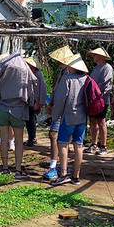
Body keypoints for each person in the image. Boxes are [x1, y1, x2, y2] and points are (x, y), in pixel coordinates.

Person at [0, 52, 36, 178]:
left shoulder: (3, 66)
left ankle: (5, 168)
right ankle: (18, 169)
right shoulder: (24, 69)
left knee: (3, 140)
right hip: (18, 109)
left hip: (2, 108)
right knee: (18, 141)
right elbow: (32, 86)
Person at [51, 55, 89, 186]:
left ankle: (63, 174)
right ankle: (76, 176)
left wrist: (55, 116)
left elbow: (60, 100)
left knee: (62, 144)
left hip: (68, 117)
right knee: (78, 146)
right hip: (83, 118)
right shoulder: (86, 79)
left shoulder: (67, 79)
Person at [42, 45, 75, 180]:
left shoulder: (69, 73)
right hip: (59, 109)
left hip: (63, 110)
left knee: (55, 136)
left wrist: (56, 107)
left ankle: (55, 166)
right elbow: (57, 91)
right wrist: (52, 103)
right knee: (58, 138)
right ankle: (62, 165)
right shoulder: (62, 72)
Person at [87, 48, 113, 155]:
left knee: (101, 121)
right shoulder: (96, 68)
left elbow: (106, 84)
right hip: (93, 99)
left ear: (101, 56)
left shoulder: (107, 68)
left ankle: (103, 145)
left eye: (95, 55)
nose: (93, 57)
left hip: (102, 99)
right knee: (93, 121)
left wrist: (97, 93)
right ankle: (94, 144)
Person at [24, 56, 47, 147]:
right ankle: (31, 137)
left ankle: (32, 138)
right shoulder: (27, 73)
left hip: (34, 101)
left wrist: (39, 103)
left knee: (31, 120)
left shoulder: (38, 74)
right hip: (28, 100)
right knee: (28, 120)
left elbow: (42, 89)